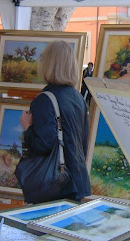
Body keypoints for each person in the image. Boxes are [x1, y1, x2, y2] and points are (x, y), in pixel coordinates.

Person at [20, 41, 91, 201]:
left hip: (56, 185)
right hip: (77, 181)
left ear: (48, 64)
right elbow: (83, 142)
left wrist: (27, 127)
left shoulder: (44, 100)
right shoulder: (78, 97)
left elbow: (42, 145)